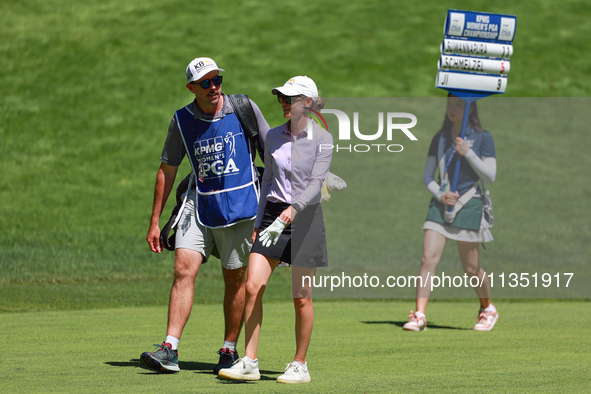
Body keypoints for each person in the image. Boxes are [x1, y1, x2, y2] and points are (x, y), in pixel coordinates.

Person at [141, 57, 270, 373]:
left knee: (234, 278)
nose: (213, 87)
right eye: (205, 83)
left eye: (216, 80)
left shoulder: (243, 108)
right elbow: (167, 169)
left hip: (242, 209)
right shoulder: (182, 120)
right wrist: (155, 221)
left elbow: (273, 151)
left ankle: (228, 350)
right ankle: (169, 348)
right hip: (199, 206)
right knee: (183, 269)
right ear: (191, 88)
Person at [218, 76, 332, 384]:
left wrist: (291, 212)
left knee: (302, 297)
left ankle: (300, 364)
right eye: (281, 98)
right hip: (271, 216)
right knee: (253, 286)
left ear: (307, 103)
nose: (283, 103)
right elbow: (267, 180)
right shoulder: (274, 138)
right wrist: (258, 223)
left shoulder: (323, 139)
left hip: (305, 219)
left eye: (290, 98)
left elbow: (315, 185)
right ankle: (250, 360)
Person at [403, 93, 498, 332]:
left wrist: (468, 152)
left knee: (471, 268)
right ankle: (420, 315)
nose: (452, 109)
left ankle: (487, 309)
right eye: (449, 104)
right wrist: (440, 194)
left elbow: (490, 175)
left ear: (470, 107)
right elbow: (427, 176)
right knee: (428, 259)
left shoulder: (483, 137)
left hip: (470, 203)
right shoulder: (440, 138)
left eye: (458, 105)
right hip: (441, 203)